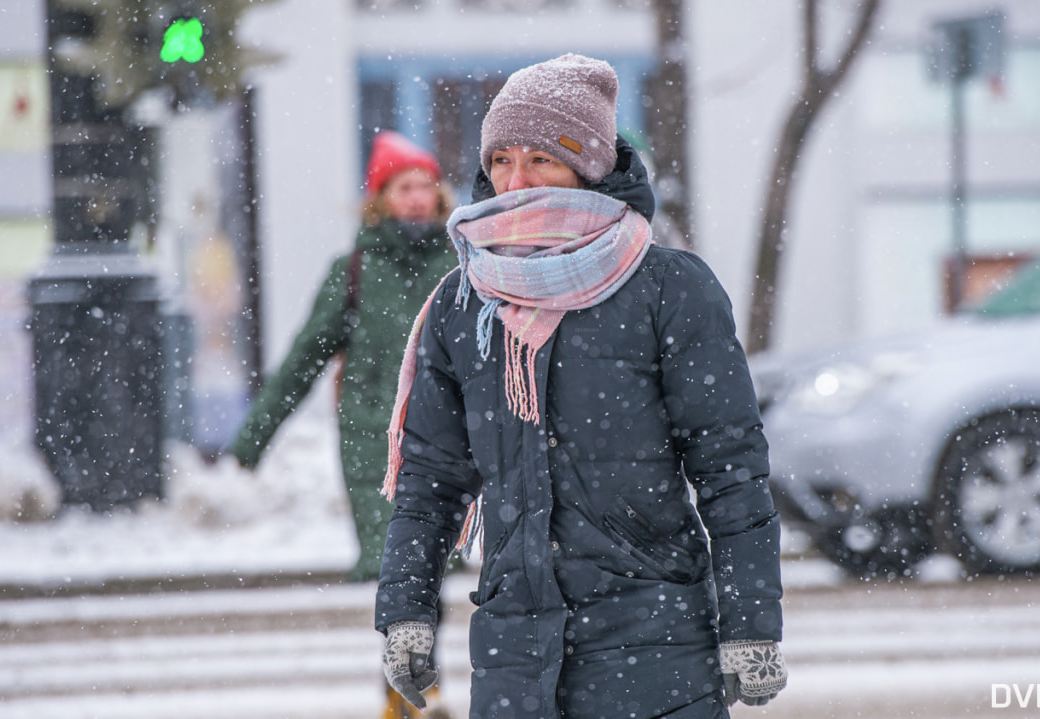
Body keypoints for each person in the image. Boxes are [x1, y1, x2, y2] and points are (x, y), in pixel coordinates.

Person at [376, 54, 787, 719]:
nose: (516, 180)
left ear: (589, 164)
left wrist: (751, 625)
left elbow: (730, 470)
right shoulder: (464, 300)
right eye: (502, 159)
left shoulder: (667, 288)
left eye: (540, 158)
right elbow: (430, 478)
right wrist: (406, 611)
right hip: (514, 653)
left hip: (655, 645)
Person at [225, 130, 457, 585]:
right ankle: (402, 656)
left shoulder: (458, 264)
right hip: (371, 436)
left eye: (425, 186)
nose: (416, 199)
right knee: (390, 566)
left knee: (442, 567)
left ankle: (423, 657)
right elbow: (302, 360)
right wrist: (252, 440)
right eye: (403, 188)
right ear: (381, 199)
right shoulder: (354, 270)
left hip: (447, 432)